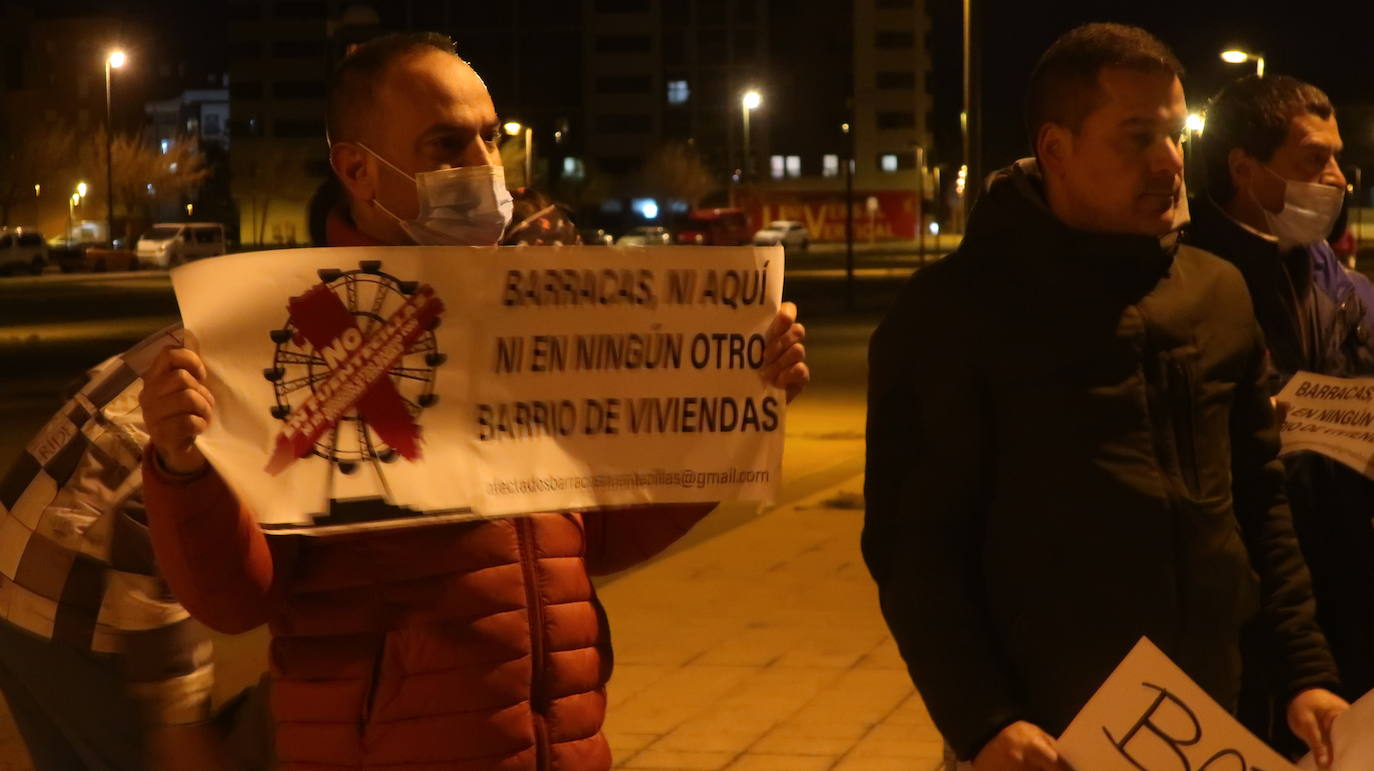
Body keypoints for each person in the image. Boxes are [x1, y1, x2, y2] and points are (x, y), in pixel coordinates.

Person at [137, 33, 810, 770]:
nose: (486, 168)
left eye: (492, 138)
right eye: (447, 144)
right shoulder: (291, 333)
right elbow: (235, 598)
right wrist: (181, 466)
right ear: (357, 168)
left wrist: (738, 411)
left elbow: (599, 535)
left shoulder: (527, 313)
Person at [863, 23, 1347, 770]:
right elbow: (913, 548)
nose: (1169, 162)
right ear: (1055, 149)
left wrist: (1306, 672)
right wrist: (984, 718)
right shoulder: (952, 314)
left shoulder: (1216, 295)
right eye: (1137, 137)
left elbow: (1258, 501)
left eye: (1177, 134)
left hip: (1204, 724)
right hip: (1042, 740)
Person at [1186, 74, 1374, 747]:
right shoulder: (1188, 283)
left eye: (1337, 156)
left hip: (1345, 592)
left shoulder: (1348, 292)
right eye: (1311, 160)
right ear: (1244, 167)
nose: (1337, 177)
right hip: (1243, 605)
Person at [0, 329, 269, 771]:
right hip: (74, 595)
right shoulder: (224, 408)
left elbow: (89, 384)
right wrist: (179, 717)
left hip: (18, 547)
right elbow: (148, 525)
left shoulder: (201, 333)